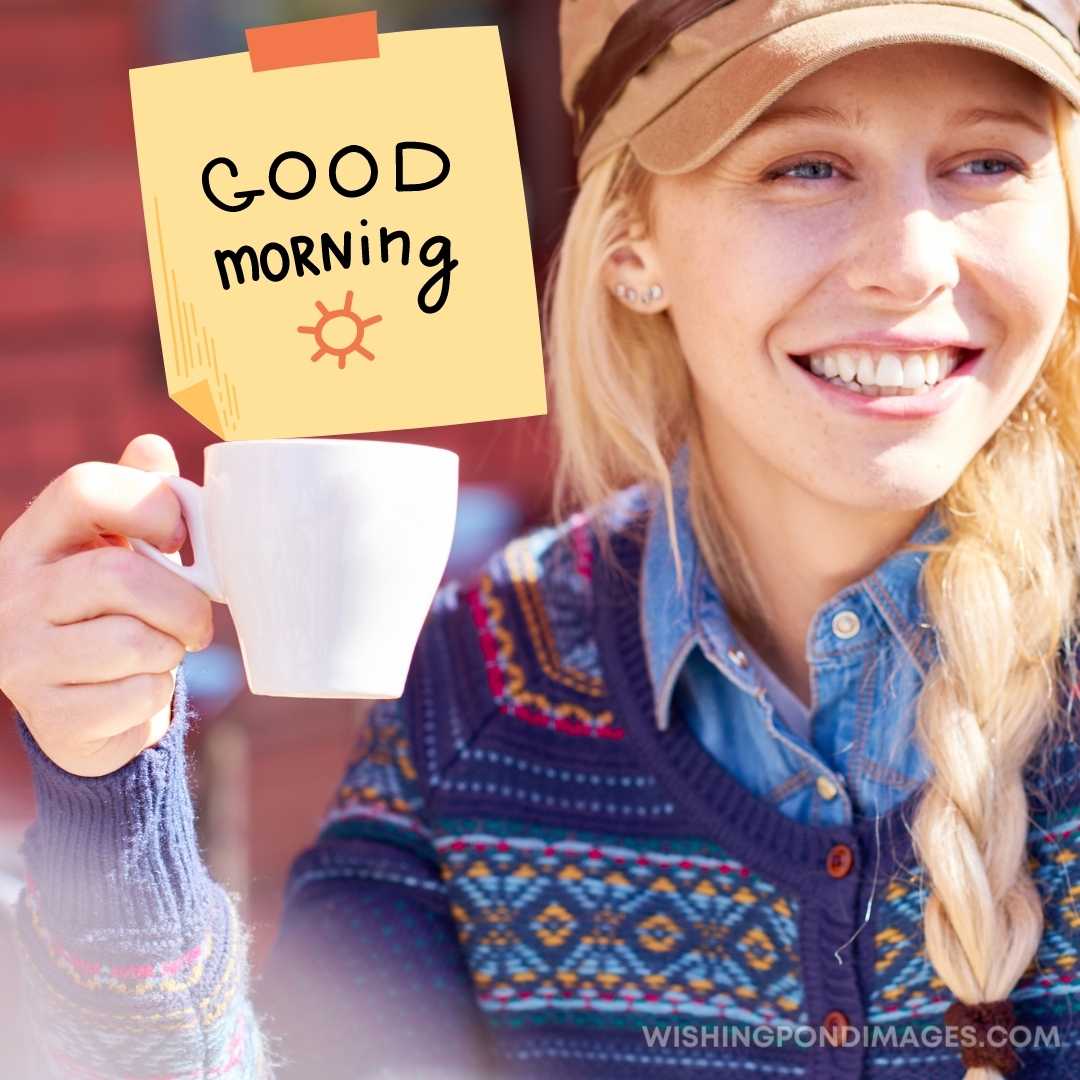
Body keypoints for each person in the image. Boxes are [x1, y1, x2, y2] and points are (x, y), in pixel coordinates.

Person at [3, 0, 1080, 1077]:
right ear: (629, 246)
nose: (913, 264)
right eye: (806, 168)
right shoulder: (484, 682)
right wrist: (109, 806)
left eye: (989, 163)